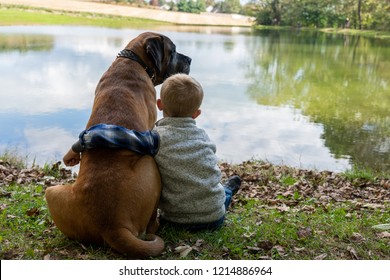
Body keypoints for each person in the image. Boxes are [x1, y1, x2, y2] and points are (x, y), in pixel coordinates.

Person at [63, 73, 241, 231]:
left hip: (175, 221)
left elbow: (106, 135)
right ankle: (227, 190)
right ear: (197, 114)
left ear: (159, 105)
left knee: (213, 191)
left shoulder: (154, 138)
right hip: (215, 217)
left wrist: (76, 147)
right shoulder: (204, 137)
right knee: (221, 192)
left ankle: (226, 190)